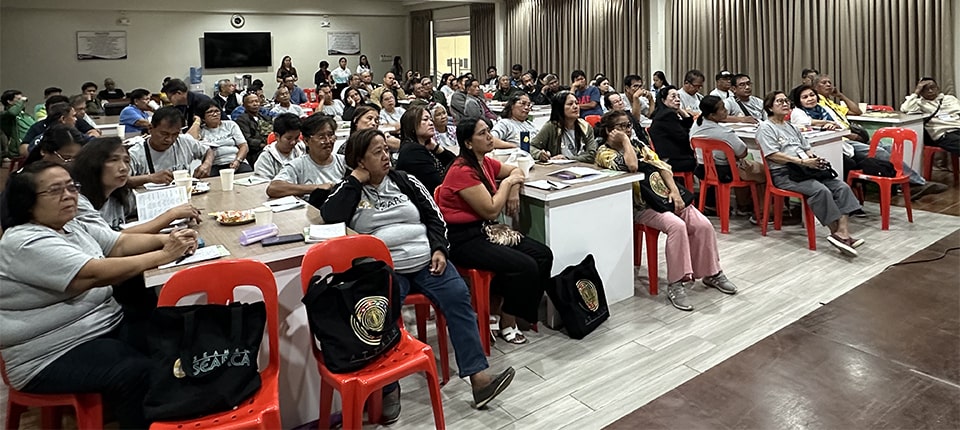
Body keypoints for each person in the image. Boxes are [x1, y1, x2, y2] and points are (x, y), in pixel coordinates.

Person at [319, 128, 517, 420]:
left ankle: (479, 381)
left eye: (387, 150)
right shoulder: (350, 191)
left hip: (427, 261)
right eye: (377, 153)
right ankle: (389, 390)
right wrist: (355, 180)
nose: (386, 156)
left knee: (458, 298)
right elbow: (329, 216)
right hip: (386, 271)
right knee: (381, 316)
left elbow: (435, 218)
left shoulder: (405, 181)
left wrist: (439, 249)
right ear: (359, 161)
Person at [0, 161, 199, 430]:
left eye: (72, 187)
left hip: (100, 327)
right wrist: (165, 254)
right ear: (27, 202)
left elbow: (118, 243)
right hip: (49, 352)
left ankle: (187, 414)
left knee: (175, 331)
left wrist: (171, 238)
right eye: (56, 190)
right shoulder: (24, 241)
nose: (69, 195)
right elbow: (92, 273)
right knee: (135, 372)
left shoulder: (68, 225)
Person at [594, 110, 737, 311]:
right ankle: (676, 284)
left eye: (629, 126)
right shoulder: (604, 152)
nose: (628, 130)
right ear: (610, 131)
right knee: (677, 226)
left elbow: (662, 167)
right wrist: (625, 142)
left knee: (702, 224)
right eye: (622, 127)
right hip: (640, 206)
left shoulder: (639, 145)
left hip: (663, 197)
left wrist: (675, 193)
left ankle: (712, 273)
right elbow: (632, 166)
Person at [435, 117, 553, 343]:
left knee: (543, 255)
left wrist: (513, 189)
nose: (490, 136)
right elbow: (490, 210)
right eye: (482, 133)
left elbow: (517, 172)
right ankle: (507, 320)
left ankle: (517, 312)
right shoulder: (461, 170)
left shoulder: (485, 162)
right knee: (524, 266)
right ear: (468, 143)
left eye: (489, 131)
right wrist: (506, 185)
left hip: (486, 231)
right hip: (463, 238)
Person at [756, 91, 863, 257]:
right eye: (780, 102)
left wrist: (813, 158)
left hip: (804, 170)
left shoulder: (791, 126)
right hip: (784, 174)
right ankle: (837, 233)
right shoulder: (766, 128)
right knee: (820, 190)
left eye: (786, 101)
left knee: (841, 186)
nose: (785, 104)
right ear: (770, 107)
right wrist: (801, 162)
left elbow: (806, 148)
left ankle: (843, 232)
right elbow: (772, 155)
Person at [72, 137, 202, 232]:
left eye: (126, 161)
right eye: (113, 160)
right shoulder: (78, 203)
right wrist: (172, 214)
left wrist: (180, 208)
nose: (124, 168)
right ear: (92, 164)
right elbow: (113, 241)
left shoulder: (117, 195)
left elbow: (149, 207)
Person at [690, 96, 767, 221]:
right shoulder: (724, 133)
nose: (726, 110)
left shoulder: (696, 125)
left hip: (703, 169)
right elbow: (742, 152)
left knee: (744, 166)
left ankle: (744, 207)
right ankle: (764, 213)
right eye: (722, 109)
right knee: (765, 172)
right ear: (712, 115)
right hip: (725, 171)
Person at [127, 107, 214, 186]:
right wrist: (149, 178)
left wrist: (207, 164)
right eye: (164, 134)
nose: (169, 139)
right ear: (150, 128)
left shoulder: (184, 141)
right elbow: (121, 181)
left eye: (175, 134)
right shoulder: (136, 153)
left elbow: (208, 151)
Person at [266, 115, 346, 198]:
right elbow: (273, 188)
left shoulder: (344, 162)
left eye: (330, 135)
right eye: (321, 137)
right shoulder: (298, 165)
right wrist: (316, 188)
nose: (328, 141)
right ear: (306, 141)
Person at [394, 105, 456, 192]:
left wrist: (437, 148)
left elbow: (456, 165)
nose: (431, 123)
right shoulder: (412, 151)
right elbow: (436, 185)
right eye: (425, 120)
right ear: (412, 125)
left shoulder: (427, 147)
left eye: (431, 119)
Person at [187, 101, 251, 176]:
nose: (215, 114)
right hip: (214, 164)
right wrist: (197, 121)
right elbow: (189, 140)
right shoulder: (200, 130)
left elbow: (244, 146)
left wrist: (238, 160)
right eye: (210, 112)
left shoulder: (230, 125)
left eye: (217, 111)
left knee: (247, 175)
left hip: (235, 161)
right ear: (203, 117)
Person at [530, 91, 597, 162]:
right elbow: (531, 147)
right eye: (570, 104)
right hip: (557, 169)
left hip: (582, 168)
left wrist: (568, 159)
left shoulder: (585, 126)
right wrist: (539, 154)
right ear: (560, 108)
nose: (575, 106)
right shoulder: (551, 127)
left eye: (577, 103)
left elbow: (591, 154)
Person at [901, 77, 960, 156]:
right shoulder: (919, 103)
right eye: (926, 89)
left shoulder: (950, 99)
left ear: (937, 88)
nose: (930, 91)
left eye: (932, 88)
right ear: (921, 92)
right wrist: (916, 92)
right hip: (944, 134)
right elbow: (905, 108)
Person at [649, 85, 697, 173]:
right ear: (663, 100)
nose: (678, 99)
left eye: (679, 96)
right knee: (703, 162)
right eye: (673, 96)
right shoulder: (667, 115)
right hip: (669, 160)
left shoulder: (662, 113)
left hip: (669, 156)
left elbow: (685, 128)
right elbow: (684, 137)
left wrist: (681, 111)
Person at [254, 113, 306, 180]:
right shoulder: (266, 157)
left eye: (296, 138)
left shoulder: (301, 149)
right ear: (277, 136)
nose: (293, 142)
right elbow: (262, 183)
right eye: (289, 138)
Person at [235, 93, 273, 165]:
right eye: (251, 102)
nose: (255, 104)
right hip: (254, 152)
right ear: (244, 105)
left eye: (257, 101)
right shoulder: (242, 119)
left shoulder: (264, 117)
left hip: (269, 146)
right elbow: (248, 140)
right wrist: (263, 145)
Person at [1, 90, 37, 157]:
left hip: (33, 143)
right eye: (18, 99)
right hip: (20, 147)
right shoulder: (5, 115)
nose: (22, 101)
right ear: (9, 101)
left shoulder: (26, 115)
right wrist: (22, 101)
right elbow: (13, 112)